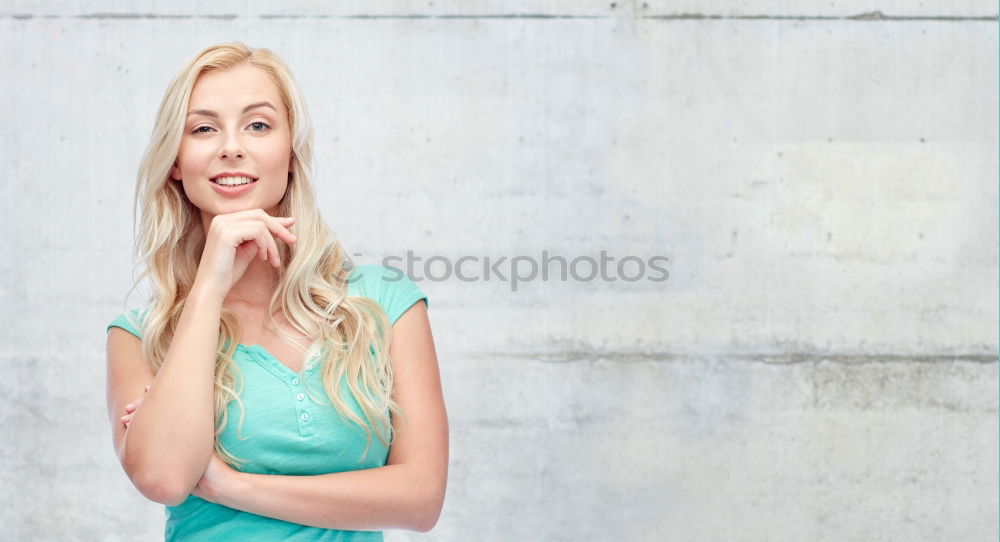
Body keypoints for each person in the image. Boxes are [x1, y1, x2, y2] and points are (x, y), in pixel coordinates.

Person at [105, 42, 448, 541]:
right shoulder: (140, 334)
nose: (231, 147)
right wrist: (209, 287)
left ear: (290, 153)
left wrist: (229, 485)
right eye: (203, 128)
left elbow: (420, 500)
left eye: (258, 125)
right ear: (175, 162)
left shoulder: (383, 302)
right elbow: (163, 477)